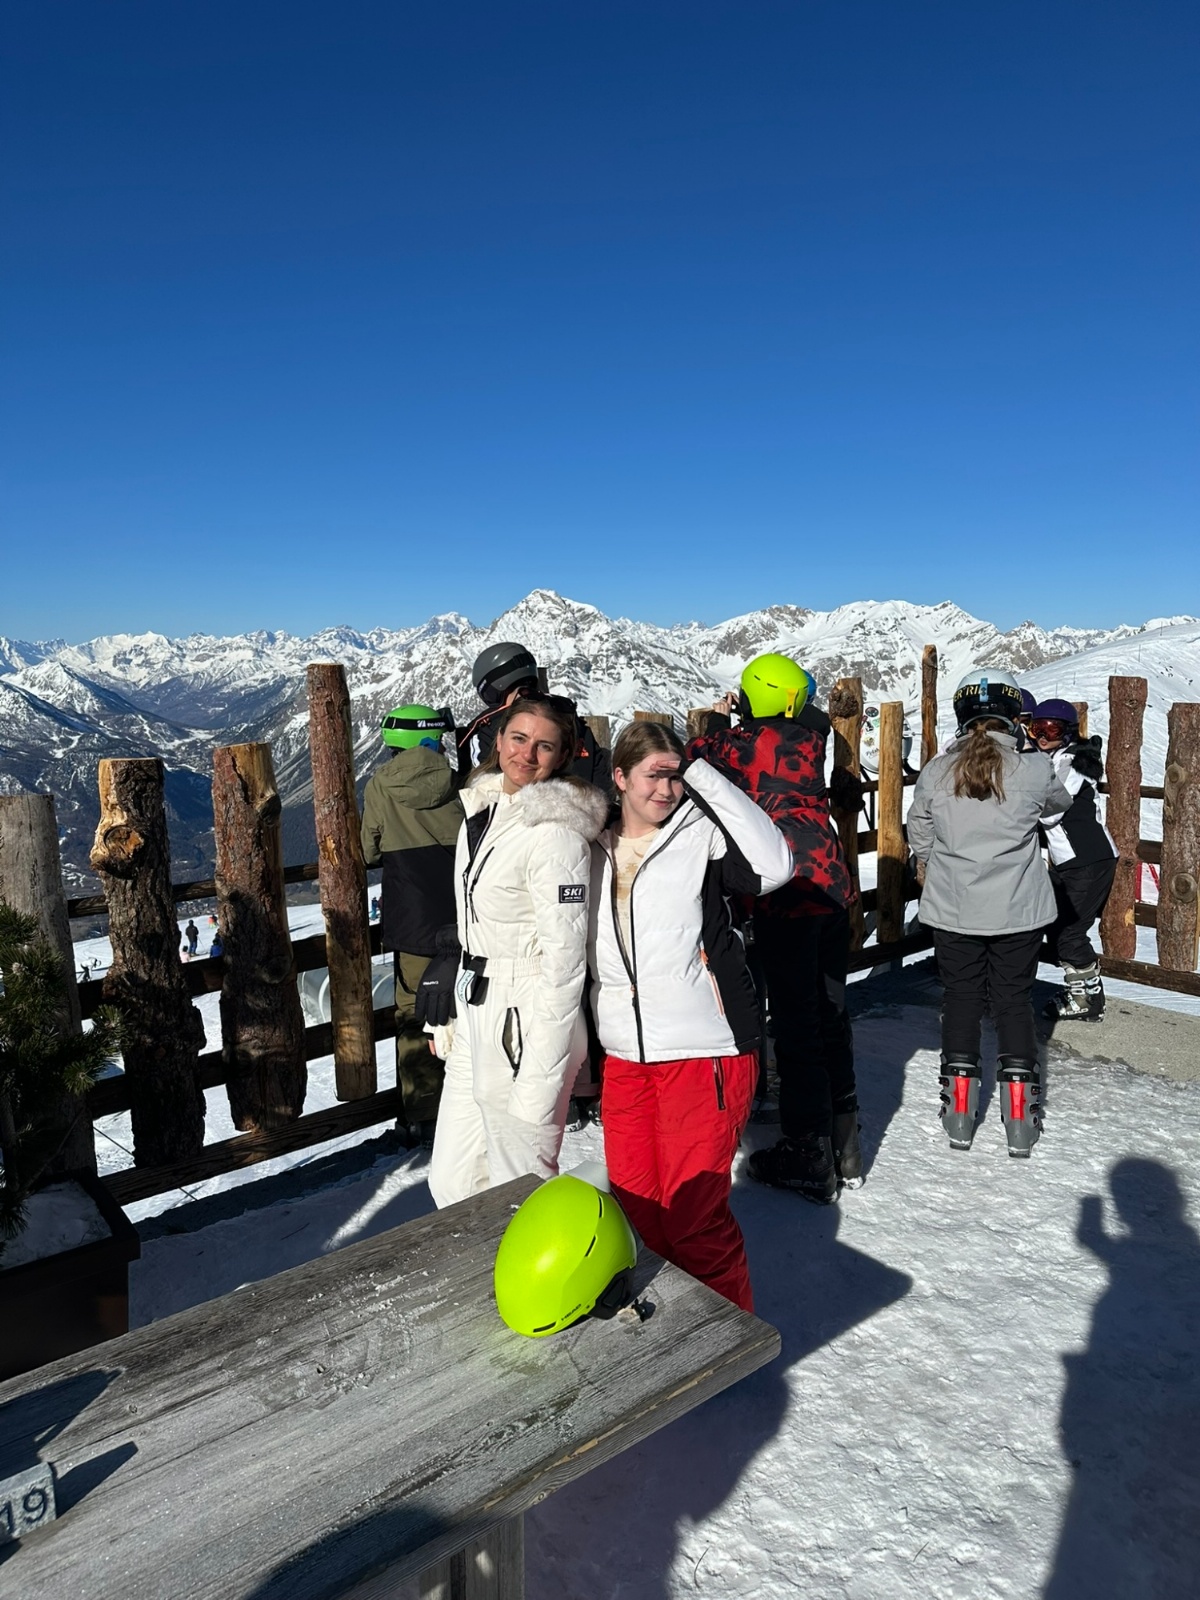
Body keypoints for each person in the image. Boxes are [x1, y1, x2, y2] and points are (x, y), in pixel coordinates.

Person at [589, 719, 794, 1311]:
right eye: (653, 776)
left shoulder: (700, 834)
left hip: (706, 1052)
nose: (666, 789)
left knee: (694, 1219)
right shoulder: (590, 844)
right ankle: (675, 1333)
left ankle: (730, 1337)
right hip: (626, 1056)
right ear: (619, 777)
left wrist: (701, 772)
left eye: (675, 778)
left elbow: (775, 866)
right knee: (639, 1209)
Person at [688, 653, 863, 1204]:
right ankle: (845, 1142)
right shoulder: (813, 740)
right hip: (831, 886)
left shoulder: (738, 745)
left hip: (787, 893)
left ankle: (808, 1152)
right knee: (830, 1014)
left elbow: (690, 758)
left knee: (796, 1023)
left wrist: (721, 720)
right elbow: (809, 718)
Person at [422, 696, 608, 1206]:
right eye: (519, 738)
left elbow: (564, 964)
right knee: (453, 1182)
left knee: (518, 1183)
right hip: (479, 1004)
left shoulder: (556, 835)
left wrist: (542, 1076)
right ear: (499, 739)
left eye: (544, 746)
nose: (526, 754)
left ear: (562, 756)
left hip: (525, 1016)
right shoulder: (484, 812)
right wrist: (455, 997)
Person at [907, 670, 1073, 1156]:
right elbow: (1058, 807)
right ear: (1013, 713)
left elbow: (920, 830)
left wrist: (934, 866)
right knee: (1012, 1001)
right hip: (1018, 907)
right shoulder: (1033, 768)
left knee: (960, 997)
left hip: (954, 906)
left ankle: (959, 1116)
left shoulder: (937, 770)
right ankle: (1020, 1120)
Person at [361, 703, 464, 1146]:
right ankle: (470, 1100)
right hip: (465, 916)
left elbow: (368, 850)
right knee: (470, 1006)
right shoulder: (460, 781)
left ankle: (423, 1114)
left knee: (415, 1014)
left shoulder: (380, 786)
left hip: (414, 921)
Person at [1029, 698, 1118, 1021]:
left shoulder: (1072, 761)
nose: (1043, 735)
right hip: (1071, 861)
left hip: (1088, 859)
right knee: (1057, 926)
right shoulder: (1049, 758)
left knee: (1069, 932)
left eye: (1051, 729)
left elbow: (1051, 809)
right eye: (1036, 728)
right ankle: (1081, 992)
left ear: (1066, 731)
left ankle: (1089, 998)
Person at [456, 641, 611, 788]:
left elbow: (481, 782)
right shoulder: (570, 720)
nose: (528, 755)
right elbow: (601, 780)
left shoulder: (489, 727)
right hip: (587, 802)